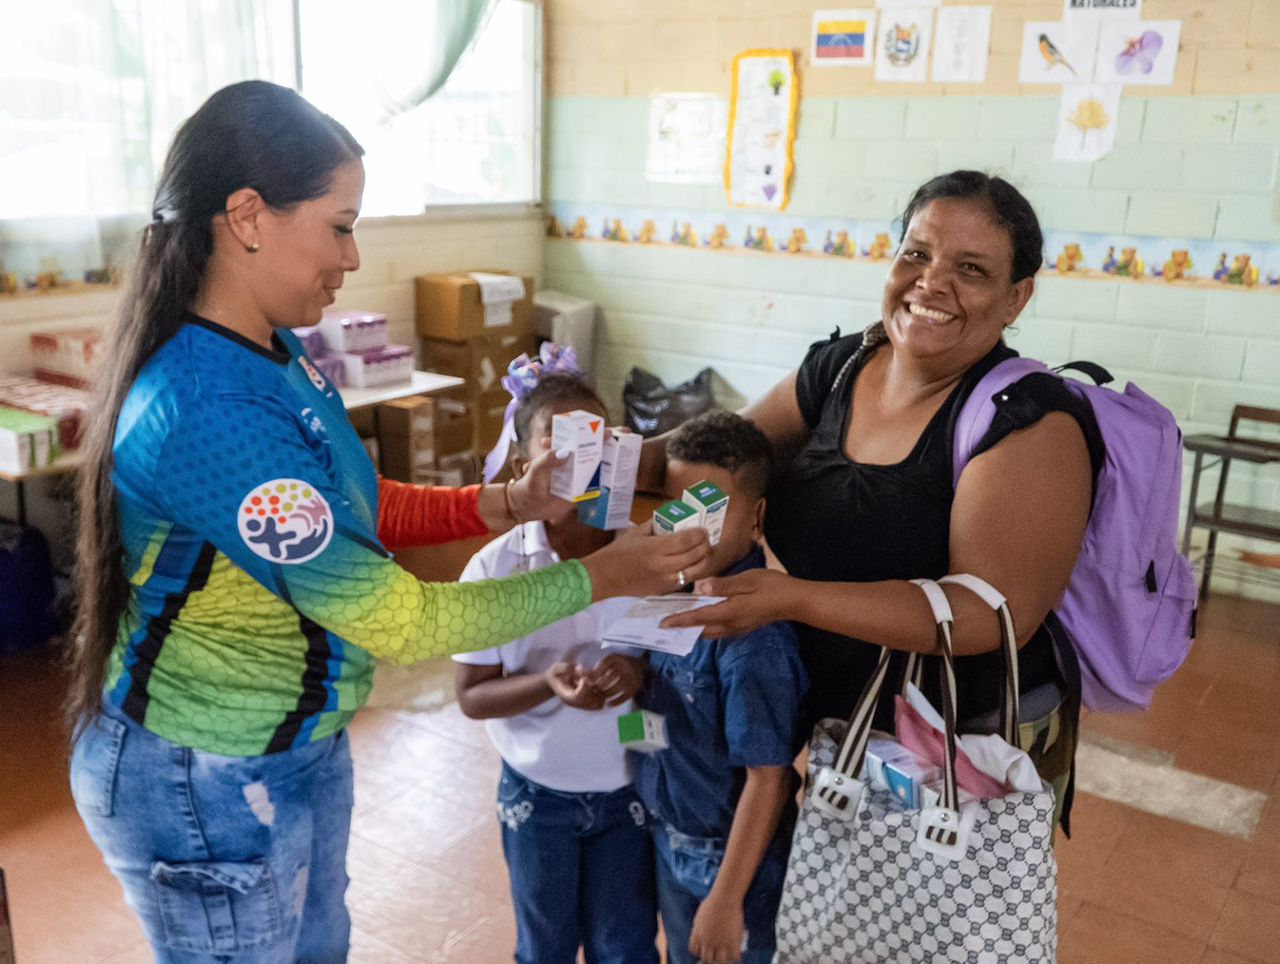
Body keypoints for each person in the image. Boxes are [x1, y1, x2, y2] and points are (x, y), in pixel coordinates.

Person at [65, 80, 710, 964]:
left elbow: (358, 504)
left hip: (291, 751)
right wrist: (608, 575)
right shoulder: (208, 408)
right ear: (248, 215)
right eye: (339, 224)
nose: (353, 257)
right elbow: (402, 621)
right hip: (205, 781)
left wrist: (509, 502)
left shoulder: (277, 354)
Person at [658, 171, 1104, 829]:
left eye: (971, 269)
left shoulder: (1030, 423)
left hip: (957, 745)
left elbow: (987, 613)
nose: (931, 282)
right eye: (917, 254)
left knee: (927, 924)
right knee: (829, 907)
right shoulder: (840, 368)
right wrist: (596, 468)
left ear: (1016, 298)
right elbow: (726, 466)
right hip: (846, 725)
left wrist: (793, 597)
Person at [455, 368, 657, 964]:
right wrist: (547, 684)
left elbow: (673, 662)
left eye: (597, 443)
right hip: (537, 796)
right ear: (523, 468)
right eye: (562, 447)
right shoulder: (494, 571)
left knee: (625, 944)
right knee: (543, 946)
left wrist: (638, 672)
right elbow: (472, 696)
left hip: (630, 788)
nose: (583, 462)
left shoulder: (647, 554)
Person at [635, 411, 807, 964]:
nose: (688, 527)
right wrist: (619, 690)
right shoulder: (673, 595)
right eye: (675, 506)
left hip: (730, 865)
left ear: (756, 517)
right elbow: (659, 716)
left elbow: (769, 779)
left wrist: (726, 899)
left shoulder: (753, 638)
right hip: (668, 834)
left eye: (711, 509)